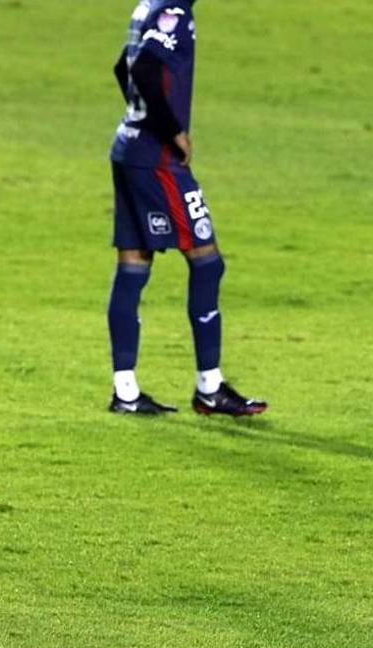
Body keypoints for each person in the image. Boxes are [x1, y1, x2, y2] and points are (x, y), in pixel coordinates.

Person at [106, 0, 266, 416]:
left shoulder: (148, 6)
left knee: (133, 266)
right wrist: (172, 131)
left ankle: (126, 391)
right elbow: (139, 69)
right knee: (207, 263)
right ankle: (209, 389)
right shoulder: (172, 12)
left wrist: (140, 118)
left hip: (128, 148)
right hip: (157, 161)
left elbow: (122, 65)